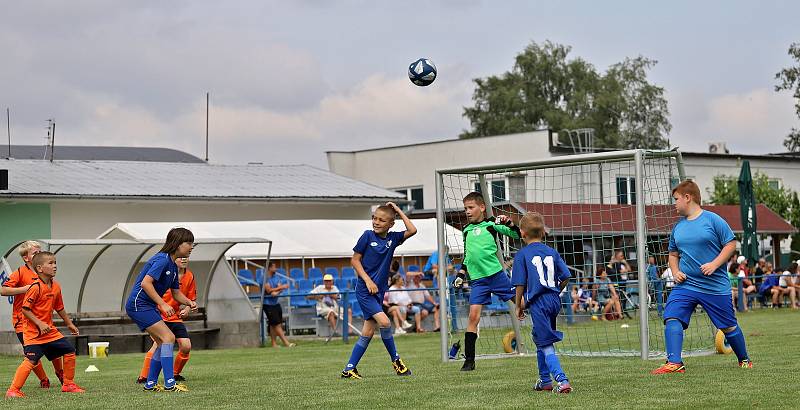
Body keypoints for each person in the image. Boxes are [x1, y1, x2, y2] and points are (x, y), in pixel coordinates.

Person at [652, 180, 751, 374]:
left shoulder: (713, 220)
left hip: (714, 287)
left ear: (688, 198)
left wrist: (714, 264)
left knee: (729, 327)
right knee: (672, 316)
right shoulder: (678, 228)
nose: (674, 203)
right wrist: (675, 271)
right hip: (686, 285)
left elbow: (730, 245)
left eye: (676, 199)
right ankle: (674, 363)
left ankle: (744, 359)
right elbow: (673, 255)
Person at [341, 202, 417, 379]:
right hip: (365, 290)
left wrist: (397, 210)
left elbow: (412, 230)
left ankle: (349, 369)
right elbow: (354, 260)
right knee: (385, 322)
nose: (376, 222)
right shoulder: (367, 236)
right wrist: (368, 281)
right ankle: (397, 362)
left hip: (379, 291)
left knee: (367, 332)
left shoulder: (393, 239)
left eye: (381, 220)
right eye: (374, 218)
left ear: (391, 224)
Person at [453, 192, 520, 372]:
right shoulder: (466, 230)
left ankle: (544, 331)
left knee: (521, 304)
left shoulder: (491, 225)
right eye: (465, 208)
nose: (467, 211)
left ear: (482, 207)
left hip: (497, 276)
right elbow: (467, 257)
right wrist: (460, 274)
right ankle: (469, 361)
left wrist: (509, 222)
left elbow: (516, 234)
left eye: (471, 207)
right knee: (473, 317)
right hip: (478, 281)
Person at [125, 227, 198, 392]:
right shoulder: (162, 260)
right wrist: (163, 304)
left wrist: (189, 302)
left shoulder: (172, 265)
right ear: (177, 244)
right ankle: (170, 383)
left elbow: (176, 293)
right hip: (139, 304)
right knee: (168, 337)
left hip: (147, 306)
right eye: (189, 243)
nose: (191, 247)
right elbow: (146, 283)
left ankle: (150, 384)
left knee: (161, 342)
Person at [5, 251, 83, 398]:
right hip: (33, 334)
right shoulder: (35, 287)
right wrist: (40, 324)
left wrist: (69, 324)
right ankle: (13, 390)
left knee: (69, 351)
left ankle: (68, 384)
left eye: (55, 263)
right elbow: (25, 309)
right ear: (40, 268)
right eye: (51, 263)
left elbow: (59, 307)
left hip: (50, 333)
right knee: (31, 360)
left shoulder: (56, 287)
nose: (55, 266)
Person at [512, 212, 572, 393]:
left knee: (545, 343)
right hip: (554, 301)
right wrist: (556, 292)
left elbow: (520, 284)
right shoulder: (552, 252)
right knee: (540, 337)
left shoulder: (522, 254)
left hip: (538, 302)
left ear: (522, 233)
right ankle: (545, 381)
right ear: (543, 233)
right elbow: (566, 276)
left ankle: (562, 380)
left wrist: (518, 306)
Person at [1, 241, 61, 389]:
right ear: (26, 258)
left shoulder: (45, 273)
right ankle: (44, 379)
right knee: (32, 354)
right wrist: (26, 288)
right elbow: (3, 290)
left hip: (43, 320)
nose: (39, 255)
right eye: (35, 253)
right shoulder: (20, 273)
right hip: (22, 321)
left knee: (55, 348)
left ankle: (61, 374)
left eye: (40, 252)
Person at [137, 256, 197, 383]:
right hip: (159, 316)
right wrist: (160, 307)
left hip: (175, 318)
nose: (184, 259)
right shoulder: (166, 273)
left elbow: (190, 298)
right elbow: (150, 290)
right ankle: (144, 377)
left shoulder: (190, 276)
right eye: (181, 257)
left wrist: (187, 308)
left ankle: (174, 374)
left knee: (186, 346)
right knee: (158, 345)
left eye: (186, 257)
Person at [262, 261, 295, 348]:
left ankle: (274, 344)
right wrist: (280, 288)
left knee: (274, 324)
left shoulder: (276, 277)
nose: (275, 269)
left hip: (275, 303)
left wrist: (277, 291)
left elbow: (277, 289)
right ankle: (286, 343)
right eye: (274, 267)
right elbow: (269, 290)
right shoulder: (264, 278)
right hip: (267, 304)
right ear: (269, 268)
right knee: (276, 324)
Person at [607, 250, 632, 318]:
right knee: (618, 297)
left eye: (622, 255)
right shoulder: (616, 264)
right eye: (621, 255)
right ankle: (619, 313)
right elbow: (620, 272)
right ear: (617, 256)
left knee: (622, 297)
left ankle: (621, 312)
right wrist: (625, 270)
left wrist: (626, 263)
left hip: (624, 282)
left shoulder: (622, 263)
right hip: (619, 282)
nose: (622, 257)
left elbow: (629, 269)